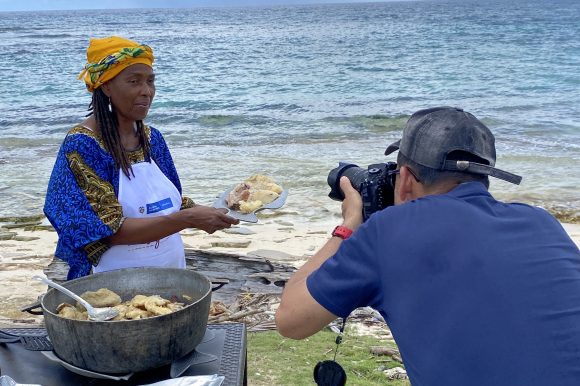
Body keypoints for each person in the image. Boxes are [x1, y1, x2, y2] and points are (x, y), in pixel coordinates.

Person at [276, 107, 580, 385]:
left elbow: (290, 320)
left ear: (405, 179)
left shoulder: (389, 229)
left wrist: (349, 225)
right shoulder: (541, 222)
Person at [44, 36, 238, 280]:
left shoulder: (152, 138)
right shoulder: (83, 145)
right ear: (105, 86)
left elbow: (172, 202)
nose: (146, 91)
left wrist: (220, 211)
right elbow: (109, 230)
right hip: (110, 283)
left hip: (172, 273)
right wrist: (187, 219)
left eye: (150, 81)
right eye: (134, 81)